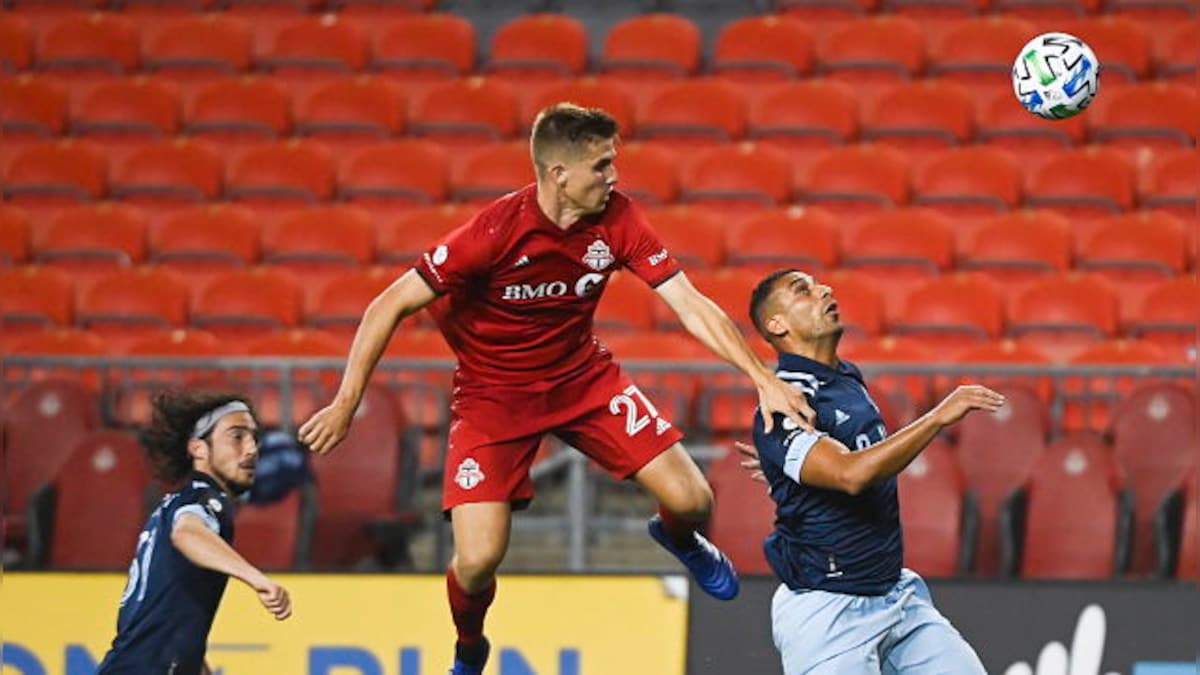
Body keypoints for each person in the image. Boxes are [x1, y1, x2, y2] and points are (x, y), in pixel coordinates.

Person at [299, 103, 813, 675]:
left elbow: (688, 302)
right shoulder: (492, 233)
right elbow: (387, 304)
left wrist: (762, 379)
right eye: (601, 165)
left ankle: (681, 540)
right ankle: (470, 648)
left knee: (694, 501)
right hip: (493, 398)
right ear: (557, 173)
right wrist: (346, 402)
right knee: (476, 562)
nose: (613, 176)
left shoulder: (618, 218)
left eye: (613, 162)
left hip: (582, 379)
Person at [737, 269, 1002, 675]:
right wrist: (937, 417)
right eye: (802, 291)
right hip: (828, 608)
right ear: (777, 325)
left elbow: (852, 454)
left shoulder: (846, 378)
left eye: (819, 284)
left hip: (894, 593)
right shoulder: (782, 404)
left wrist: (786, 469)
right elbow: (850, 474)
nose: (823, 290)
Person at [97, 391, 292, 675]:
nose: (251, 449)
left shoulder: (175, 504)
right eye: (237, 437)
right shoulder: (202, 500)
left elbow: (170, 619)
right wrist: (255, 578)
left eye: (254, 438)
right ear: (199, 449)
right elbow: (186, 533)